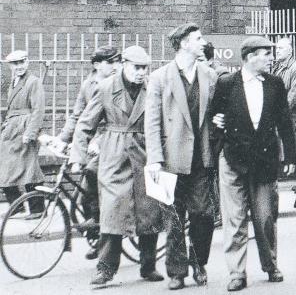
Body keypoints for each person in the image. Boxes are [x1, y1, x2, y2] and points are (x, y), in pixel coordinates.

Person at [72, 45, 168, 287]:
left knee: (150, 210)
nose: (141, 72)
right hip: (115, 155)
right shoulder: (106, 88)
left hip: (147, 152)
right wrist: (78, 156)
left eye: (145, 68)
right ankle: (105, 269)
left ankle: (148, 266)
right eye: (137, 67)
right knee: (112, 212)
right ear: (124, 64)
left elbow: (165, 122)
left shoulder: (153, 87)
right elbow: (85, 123)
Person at [209, 37, 296, 291]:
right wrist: (217, 128)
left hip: (264, 159)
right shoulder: (227, 83)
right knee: (234, 218)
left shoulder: (275, 84)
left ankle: (270, 264)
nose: (271, 58)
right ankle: (237, 273)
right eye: (265, 54)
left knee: (265, 217)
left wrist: (291, 157)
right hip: (233, 159)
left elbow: (285, 122)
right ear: (249, 57)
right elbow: (214, 117)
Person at [146, 23, 219, 290]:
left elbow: (215, 113)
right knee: (173, 219)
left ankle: (199, 263)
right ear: (184, 44)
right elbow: (152, 122)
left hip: (201, 158)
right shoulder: (160, 77)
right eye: (198, 39)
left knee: (203, 214)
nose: (203, 42)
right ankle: (176, 272)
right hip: (170, 159)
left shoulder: (209, 75)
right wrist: (154, 158)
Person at [55, 45, 121, 259]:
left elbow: (116, 121)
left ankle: (106, 232)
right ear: (97, 65)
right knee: (84, 196)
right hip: (92, 138)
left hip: (111, 139)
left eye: (117, 61)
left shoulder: (119, 83)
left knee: (93, 174)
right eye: (110, 62)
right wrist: (61, 139)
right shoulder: (88, 84)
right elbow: (78, 116)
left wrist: (98, 142)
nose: (115, 66)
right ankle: (97, 237)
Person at [0, 50, 45, 215]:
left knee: (29, 170)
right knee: (6, 167)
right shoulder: (14, 82)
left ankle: (38, 209)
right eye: (15, 64)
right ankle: (16, 205)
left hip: (25, 129)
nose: (18, 66)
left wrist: (31, 133)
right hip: (12, 130)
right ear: (10, 66)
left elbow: (38, 110)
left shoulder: (33, 82)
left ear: (27, 62)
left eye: (21, 62)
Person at [271, 37, 296, 183]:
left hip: (293, 115)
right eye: (277, 48)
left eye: (281, 48)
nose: (277, 51)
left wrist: (280, 111)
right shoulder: (277, 68)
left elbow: (294, 94)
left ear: (290, 51)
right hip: (283, 114)